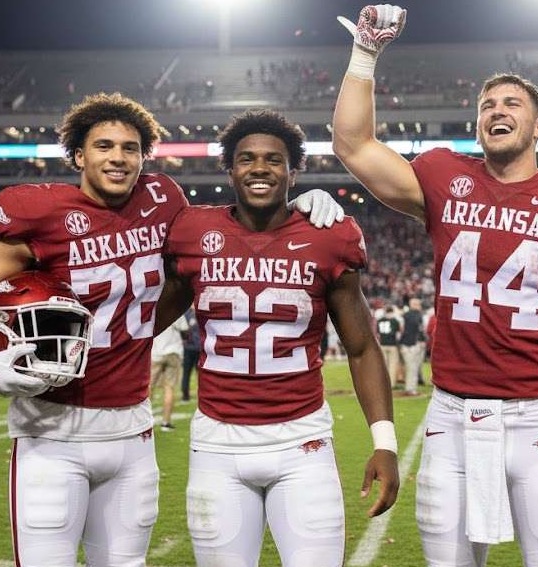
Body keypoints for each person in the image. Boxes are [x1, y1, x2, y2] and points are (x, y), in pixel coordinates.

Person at [0, 92, 343, 567]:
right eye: (104, 146)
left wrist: (295, 211)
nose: (118, 157)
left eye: (130, 148)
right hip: (51, 428)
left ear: (144, 157)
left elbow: (209, 249)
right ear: (78, 155)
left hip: (132, 430)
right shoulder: (40, 212)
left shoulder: (161, 200)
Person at [332, 7, 538, 566]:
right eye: (487, 105)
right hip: (451, 417)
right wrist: (364, 55)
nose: (497, 110)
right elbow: (353, 144)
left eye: (512, 104)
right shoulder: (444, 178)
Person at [165, 108, 400, 567]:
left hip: (302, 442)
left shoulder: (329, 236)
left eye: (274, 160)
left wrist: (385, 442)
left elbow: (361, 346)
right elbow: (144, 322)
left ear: (293, 171)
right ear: (229, 169)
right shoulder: (193, 231)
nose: (260, 168)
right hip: (217, 444)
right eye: (246, 158)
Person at [150, 316, 184, 432]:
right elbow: (185, 327)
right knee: (169, 388)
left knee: (149, 387)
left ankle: (145, 420)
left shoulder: (153, 309)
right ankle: (166, 422)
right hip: (173, 352)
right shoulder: (175, 310)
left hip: (156, 353)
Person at [398, 296, 426, 396]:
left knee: (413, 368)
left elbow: (400, 330)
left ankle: (411, 387)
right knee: (412, 368)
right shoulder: (416, 316)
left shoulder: (405, 315)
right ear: (413, 305)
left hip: (407, 344)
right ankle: (410, 389)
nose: (420, 306)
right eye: (418, 304)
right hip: (411, 345)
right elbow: (419, 329)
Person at [376, 304, 402, 389]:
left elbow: (378, 334)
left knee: (383, 366)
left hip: (382, 344)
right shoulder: (394, 321)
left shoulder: (380, 320)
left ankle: (382, 383)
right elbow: (398, 334)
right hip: (392, 345)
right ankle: (391, 384)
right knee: (392, 366)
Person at [178, 308, 200, 402]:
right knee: (187, 373)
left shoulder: (188, 313)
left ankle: (191, 395)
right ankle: (185, 395)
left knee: (198, 374)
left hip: (196, 348)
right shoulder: (187, 313)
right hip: (191, 348)